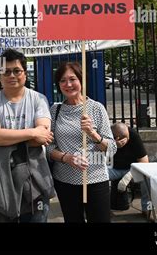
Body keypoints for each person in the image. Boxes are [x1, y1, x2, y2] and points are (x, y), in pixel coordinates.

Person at [0, 49, 55, 222]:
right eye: (6, 71)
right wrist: (32, 132)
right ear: (0, 75)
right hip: (1, 180)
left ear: (25, 73)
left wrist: (7, 136)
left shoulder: (39, 99)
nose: (12, 75)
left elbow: (42, 138)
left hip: (36, 179)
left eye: (17, 70)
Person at [46, 62, 117, 223]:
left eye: (73, 79)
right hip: (65, 181)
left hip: (95, 179)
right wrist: (66, 157)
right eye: (63, 81)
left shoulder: (96, 108)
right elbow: (48, 148)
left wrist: (92, 133)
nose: (68, 84)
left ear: (81, 80)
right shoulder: (55, 110)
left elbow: (112, 148)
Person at [109, 122, 150, 219]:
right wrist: (113, 146)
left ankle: (147, 208)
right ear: (116, 137)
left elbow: (144, 162)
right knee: (96, 176)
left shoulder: (133, 135)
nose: (128, 139)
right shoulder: (107, 136)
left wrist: (128, 177)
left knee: (147, 178)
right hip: (113, 169)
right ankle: (100, 208)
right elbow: (99, 158)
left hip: (132, 169)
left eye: (128, 137)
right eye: (125, 138)